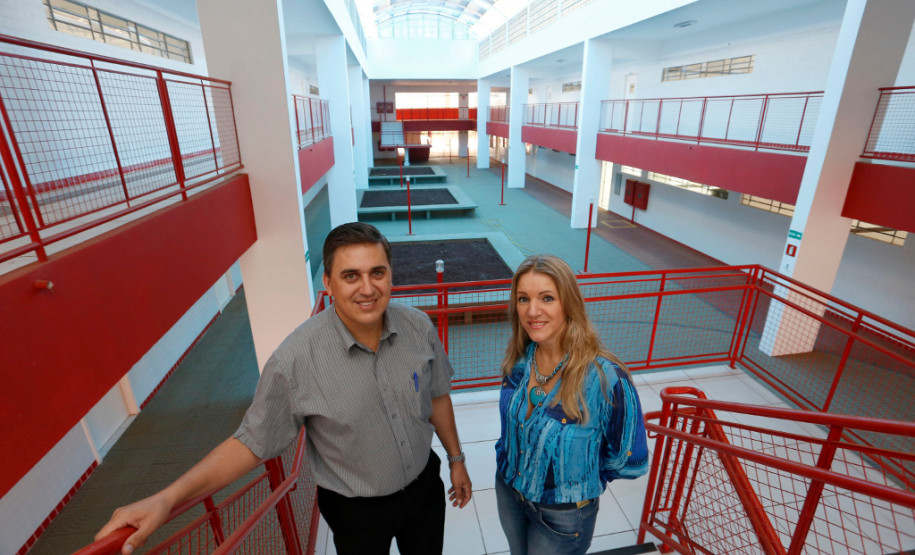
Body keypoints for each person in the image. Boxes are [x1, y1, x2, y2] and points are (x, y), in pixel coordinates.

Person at [96, 222, 472, 555]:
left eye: (377, 272)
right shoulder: (294, 360)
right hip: (356, 512)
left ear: (391, 275)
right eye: (351, 276)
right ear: (327, 282)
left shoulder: (418, 328)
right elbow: (250, 443)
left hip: (424, 489)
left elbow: (437, 395)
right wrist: (168, 498)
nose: (368, 288)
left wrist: (456, 460)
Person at [495, 254, 648, 555]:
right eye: (523, 299)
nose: (532, 311)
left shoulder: (605, 379)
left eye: (547, 298)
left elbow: (631, 461)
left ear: (569, 304)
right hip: (509, 492)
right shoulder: (518, 363)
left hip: (562, 516)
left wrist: (580, 478)